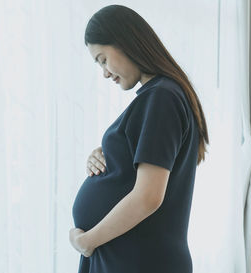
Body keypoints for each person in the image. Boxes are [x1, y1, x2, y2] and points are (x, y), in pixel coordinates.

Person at [69, 5, 209, 273]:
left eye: (102, 59)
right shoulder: (158, 96)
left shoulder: (162, 97)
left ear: (124, 42)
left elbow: (148, 196)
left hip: (139, 261)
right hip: (130, 258)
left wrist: (87, 241)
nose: (105, 73)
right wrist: (105, 155)